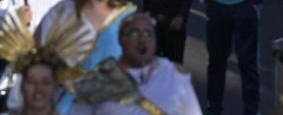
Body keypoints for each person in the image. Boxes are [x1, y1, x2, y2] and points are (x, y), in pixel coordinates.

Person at [71, 13, 203, 115]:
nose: (142, 39)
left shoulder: (174, 77)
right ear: (121, 39)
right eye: (134, 34)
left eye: (148, 34)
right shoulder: (98, 81)